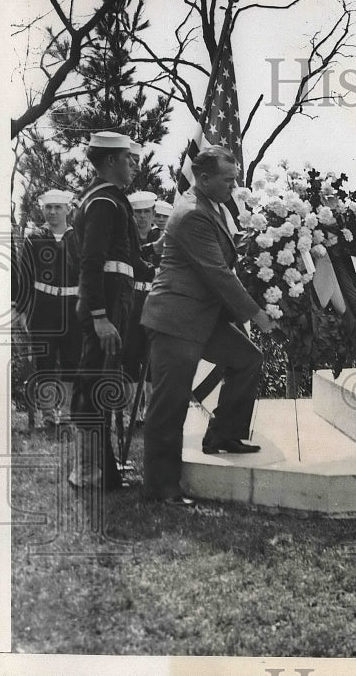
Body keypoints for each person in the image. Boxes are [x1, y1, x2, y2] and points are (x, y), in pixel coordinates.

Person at [141, 146, 276, 506]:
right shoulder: (191, 214)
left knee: (247, 358)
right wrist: (256, 315)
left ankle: (223, 435)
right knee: (170, 403)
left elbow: (222, 260)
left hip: (202, 317)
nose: (234, 185)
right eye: (228, 179)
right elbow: (216, 272)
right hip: (176, 319)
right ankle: (160, 486)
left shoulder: (211, 206)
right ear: (204, 179)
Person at [69, 132, 148, 489]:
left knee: (99, 383)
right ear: (111, 161)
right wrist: (99, 316)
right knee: (93, 384)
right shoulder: (103, 201)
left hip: (116, 301)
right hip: (106, 306)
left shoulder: (112, 200)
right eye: (129, 158)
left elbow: (130, 260)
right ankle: (87, 471)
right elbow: (91, 261)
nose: (134, 164)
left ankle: (103, 471)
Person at [14, 189, 82, 428]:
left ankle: (65, 410)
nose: (52, 212)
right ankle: (47, 413)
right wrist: (23, 311)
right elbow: (24, 275)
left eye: (58, 208)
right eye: (48, 208)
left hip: (73, 306)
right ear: (42, 209)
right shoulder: (35, 237)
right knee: (45, 360)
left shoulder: (79, 237)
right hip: (43, 307)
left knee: (71, 358)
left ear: (68, 210)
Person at [121, 189, 160, 424]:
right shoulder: (125, 238)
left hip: (156, 301)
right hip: (132, 300)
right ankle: (130, 412)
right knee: (130, 355)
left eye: (146, 212)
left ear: (154, 214)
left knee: (154, 358)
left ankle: (151, 411)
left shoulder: (164, 239)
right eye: (137, 213)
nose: (142, 217)